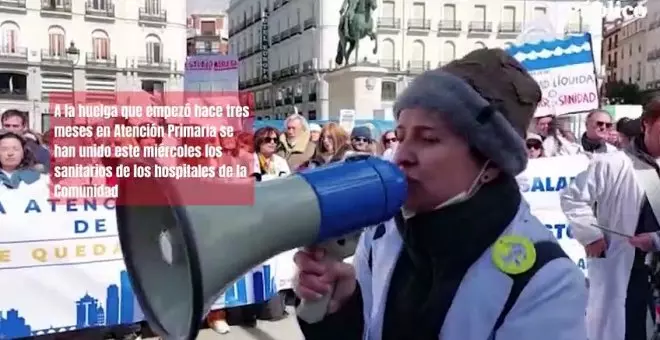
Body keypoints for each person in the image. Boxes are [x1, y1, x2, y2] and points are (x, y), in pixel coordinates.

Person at [294, 48, 587, 340]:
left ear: (491, 162)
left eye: (428, 138)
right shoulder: (383, 232)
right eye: (400, 135)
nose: (401, 156)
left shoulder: (546, 280)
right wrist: (342, 311)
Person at [560, 98, 660, 340]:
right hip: (628, 269)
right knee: (630, 329)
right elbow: (573, 198)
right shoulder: (613, 163)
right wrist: (591, 236)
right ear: (647, 124)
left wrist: (656, 240)